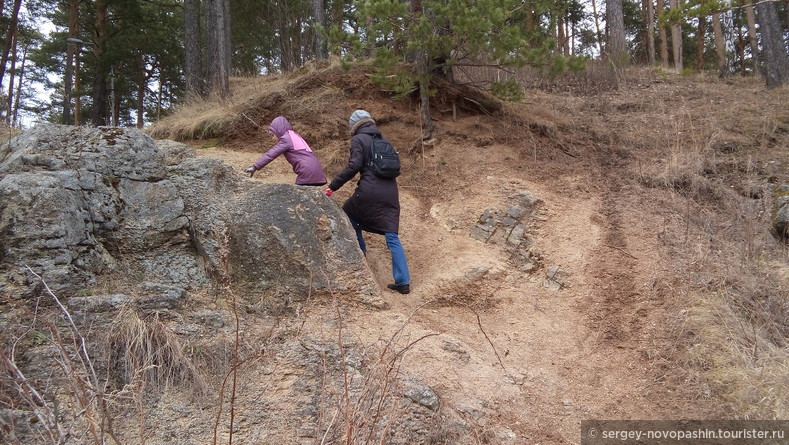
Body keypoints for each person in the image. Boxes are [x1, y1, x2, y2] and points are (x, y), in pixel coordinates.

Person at [325, 110, 411, 294]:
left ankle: (361, 257)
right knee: (392, 236)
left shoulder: (359, 140)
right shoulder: (384, 141)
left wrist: (333, 186)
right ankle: (403, 282)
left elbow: (354, 166)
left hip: (369, 190)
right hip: (390, 193)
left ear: (354, 126)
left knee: (348, 215)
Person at [244, 116, 327, 186]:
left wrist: (255, 167)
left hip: (307, 171)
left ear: (279, 131)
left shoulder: (286, 139)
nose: (272, 139)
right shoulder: (293, 135)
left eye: (273, 135)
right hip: (316, 170)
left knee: (297, 198)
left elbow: (271, 154)